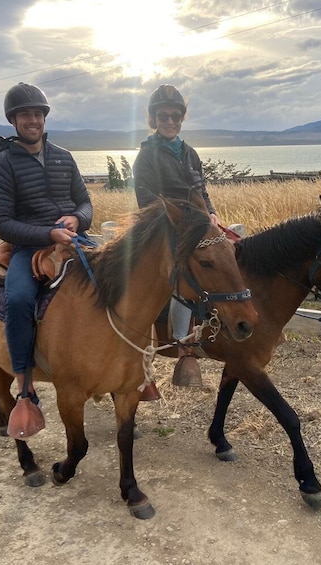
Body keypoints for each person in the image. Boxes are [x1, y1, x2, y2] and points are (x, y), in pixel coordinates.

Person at [0, 82, 93, 439]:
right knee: (18, 300)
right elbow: (1, 222)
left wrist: (78, 219)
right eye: (25, 115)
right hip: (28, 247)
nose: (33, 120)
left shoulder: (64, 156)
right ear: (13, 120)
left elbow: (84, 201)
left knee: (124, 278)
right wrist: (48, 234)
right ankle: (24, 386)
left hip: (73, 239)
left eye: (38, 114)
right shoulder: (1, 167)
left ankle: (131, 371)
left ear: (44, 118)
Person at [133, 84, 221, 387]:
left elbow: (201, 191)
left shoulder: (190, 153)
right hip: (163, 227)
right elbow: (145, 199)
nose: (170, 121)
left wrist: (210, 212)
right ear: (154, 119)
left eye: (175, 116)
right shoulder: (146, 156)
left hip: (195, 224)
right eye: (163, 116)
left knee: (228, 254)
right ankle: (183, 346)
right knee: (180, 273)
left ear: (182, 118)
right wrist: (182, 217)